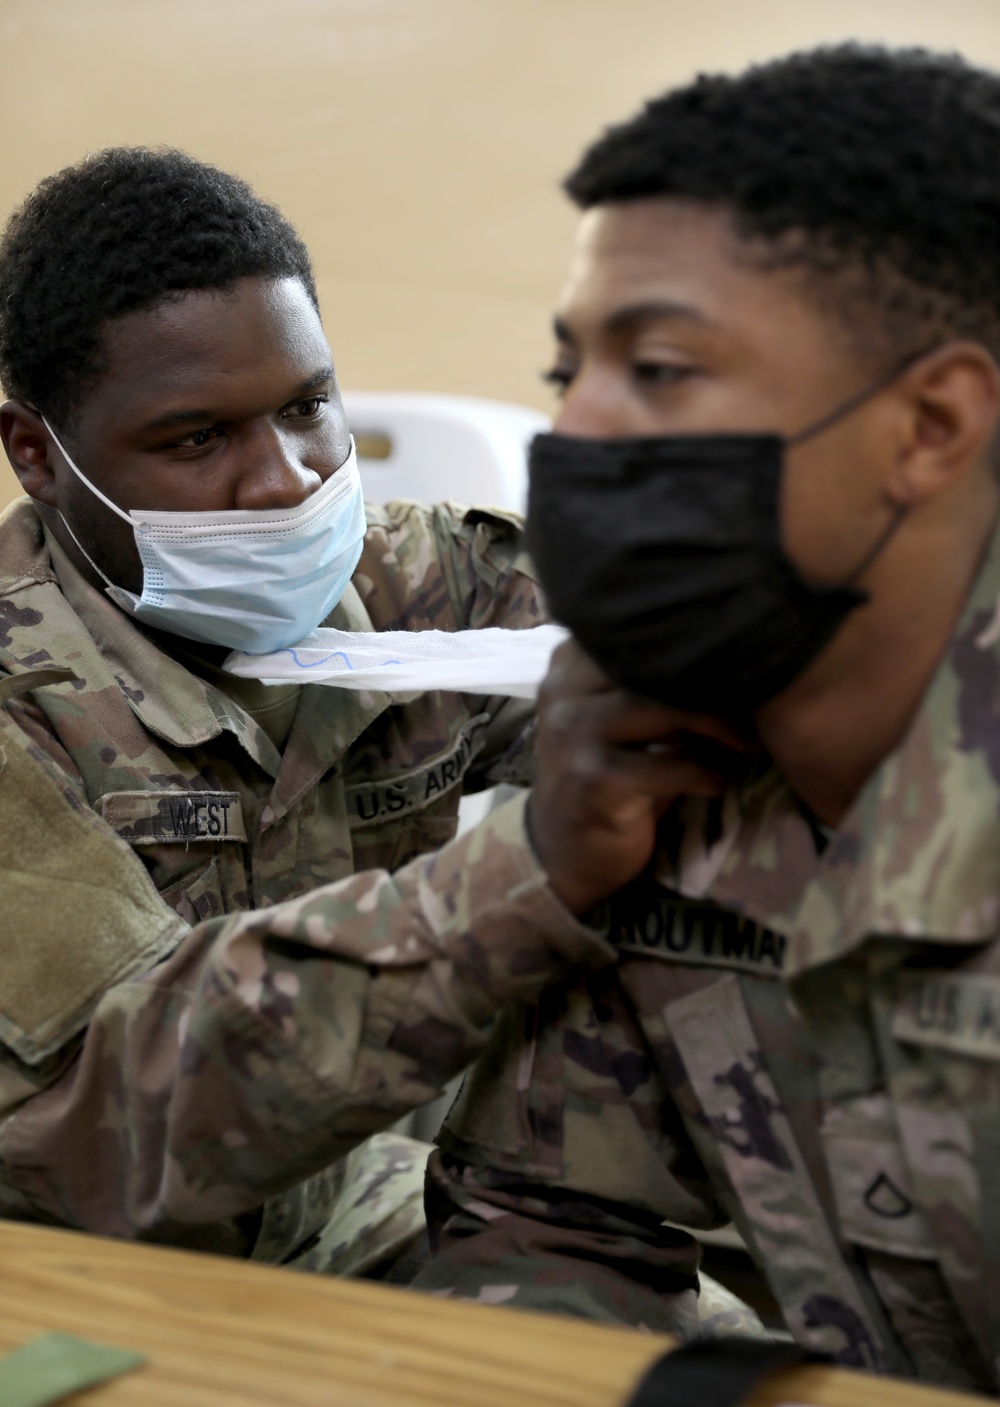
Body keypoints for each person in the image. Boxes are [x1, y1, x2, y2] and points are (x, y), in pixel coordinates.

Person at [415, 46, 1000, 1392]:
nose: (578, 429)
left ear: (929, 423)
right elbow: (550, 1224)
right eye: (572, 369)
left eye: (662, 367)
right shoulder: (652, 763)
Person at [0, 147, 614, 1279]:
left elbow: (716, 667)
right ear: (39, 454)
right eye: (197, 438)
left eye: (305, 408)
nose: (284, 480)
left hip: (363, 1193)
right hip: (99, 1255)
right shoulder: (19, 711)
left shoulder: (417, 590)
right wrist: (528, 878)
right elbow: (114, 1125)